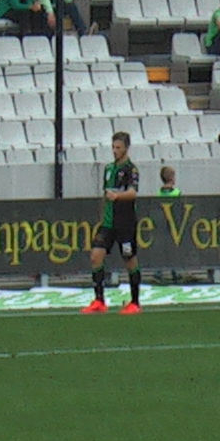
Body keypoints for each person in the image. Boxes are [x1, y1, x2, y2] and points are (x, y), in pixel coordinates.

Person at [84, 131, 142, 315]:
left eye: (118, 147)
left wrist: (117, 196)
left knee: (130, 260)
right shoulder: (109, 169)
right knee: (95, 256)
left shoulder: (131, 170)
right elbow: (106, 194)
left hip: (125, 223)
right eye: (113, 147)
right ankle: (99, 300)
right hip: (108, 223)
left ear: (126, 148)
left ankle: (135, 302)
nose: (115, 151)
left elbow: (133, 193)